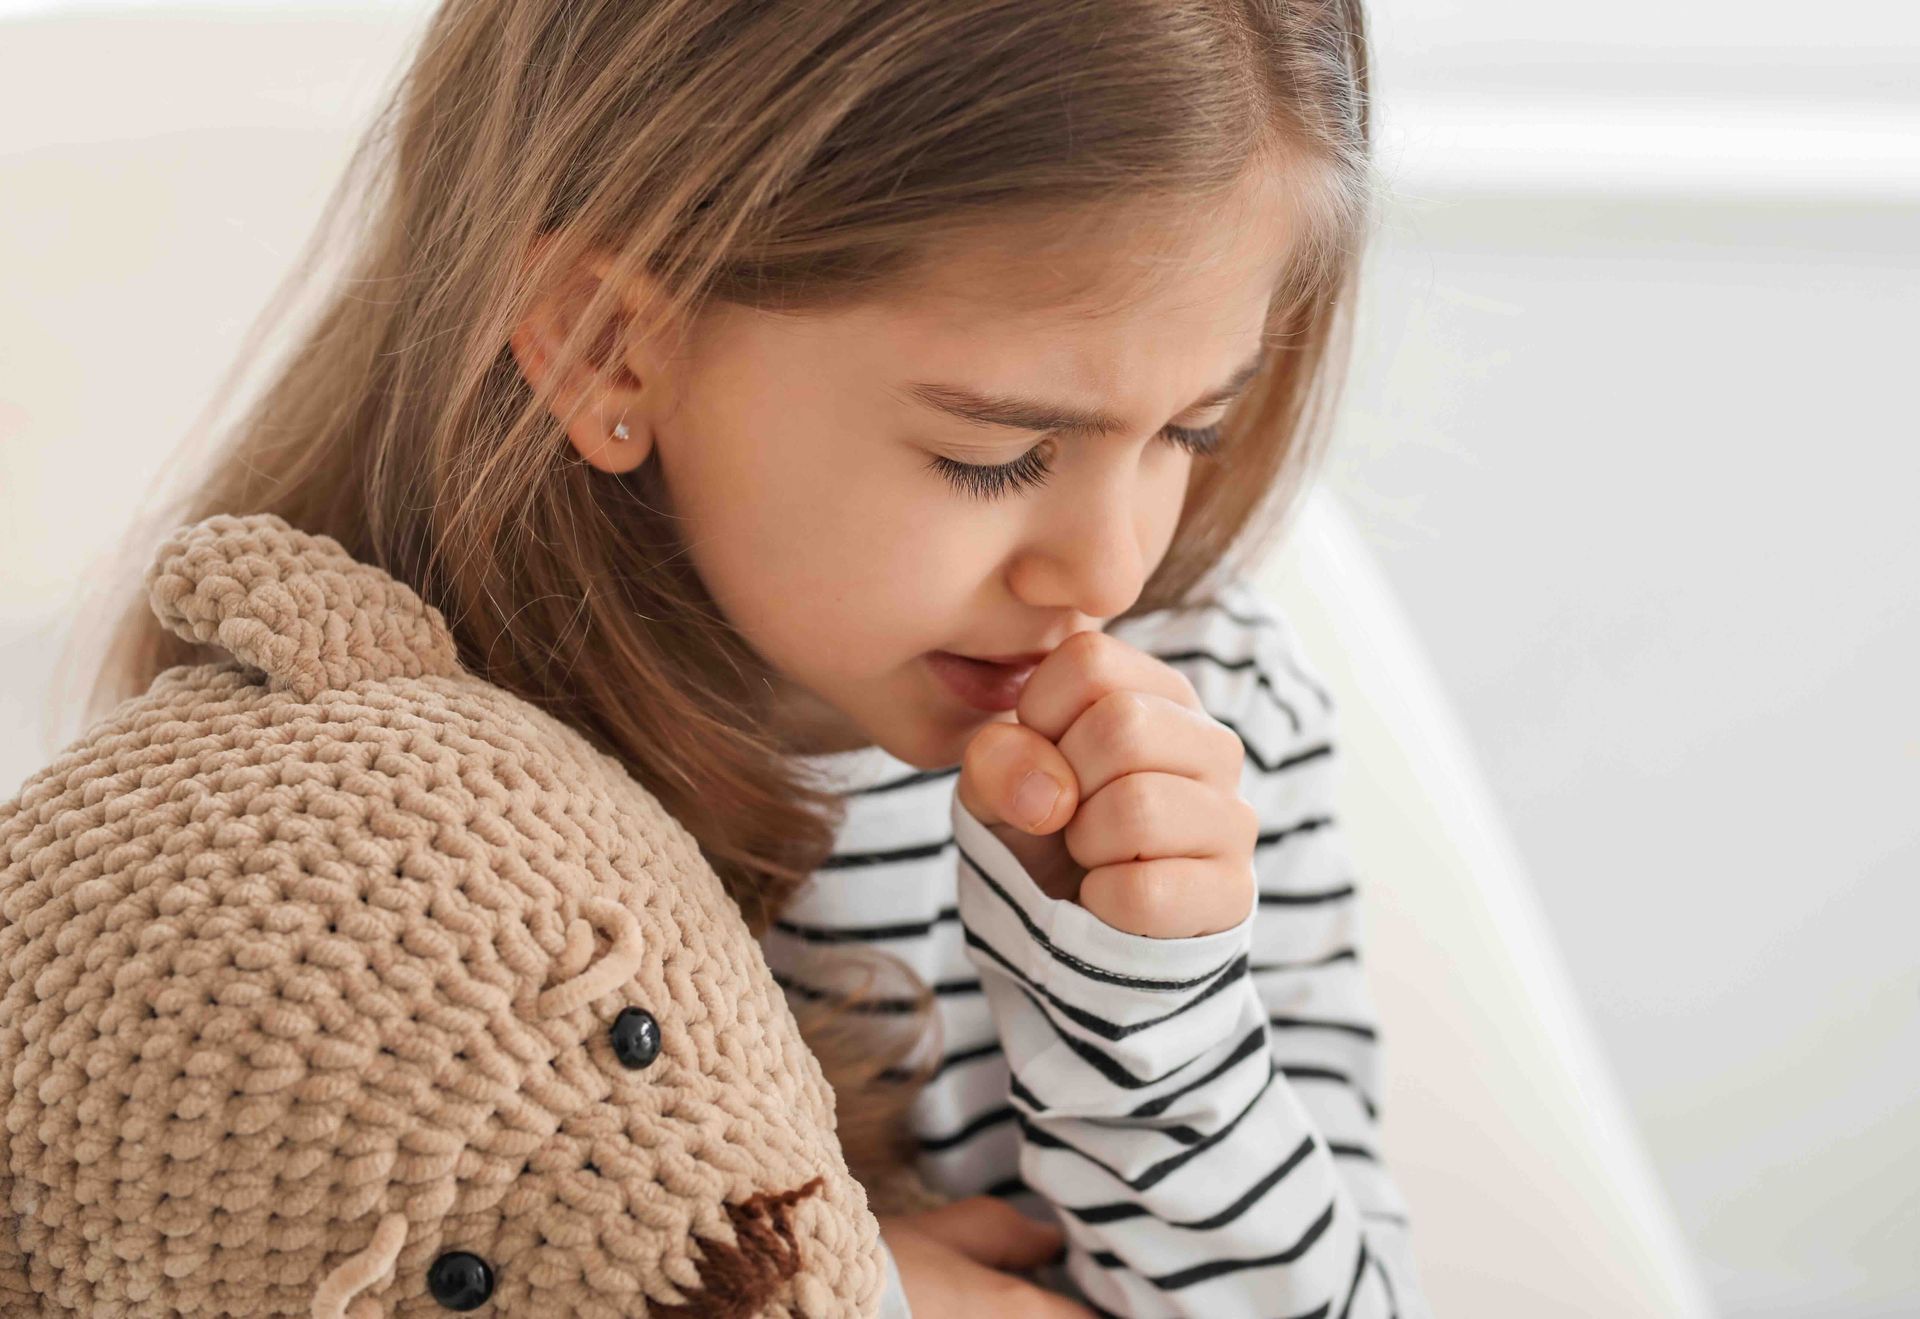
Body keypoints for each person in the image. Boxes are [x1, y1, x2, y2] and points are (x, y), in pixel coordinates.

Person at [80, 1, 1430, 1314]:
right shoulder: (362, 821)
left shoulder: (1214, 712)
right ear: (609, 347)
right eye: (996, 454)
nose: (1110, 572)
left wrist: (1151, 1019)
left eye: (1188, 433)